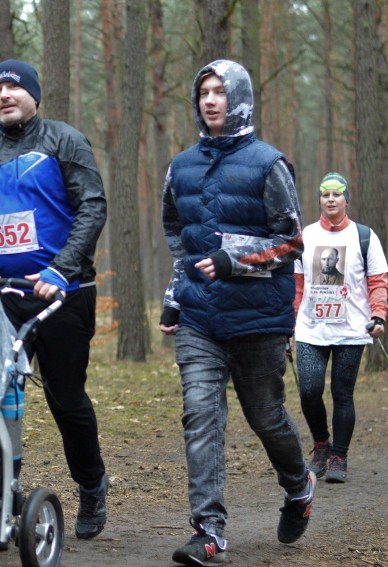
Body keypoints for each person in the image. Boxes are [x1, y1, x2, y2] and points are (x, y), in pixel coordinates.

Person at [158, 59, 315, 565]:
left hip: (258, 319)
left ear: (239, 98)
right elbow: (180, 240)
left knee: (266, 416)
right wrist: (174, 294)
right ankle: (208, 530)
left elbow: (291, 243)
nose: (210, 100)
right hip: (201, 318)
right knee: (200, 416)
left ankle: (298, 486)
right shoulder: (180, 166)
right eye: (203, 91)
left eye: (219, 91)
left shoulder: (270, 164)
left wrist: (234, 259)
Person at [0, 59, 109, 540]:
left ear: (35, 96)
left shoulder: (64, 140)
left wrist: (62, 269)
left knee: (65, 397)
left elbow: (92, 206)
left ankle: (92, 484)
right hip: (1, 296)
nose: (6, 94)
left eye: (16, 87)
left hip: (63, 294)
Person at [293, 172, 387, 483]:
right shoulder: (305, 236)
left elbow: (378, 282)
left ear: (346, 199)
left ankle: (338, 457)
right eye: (325, 194)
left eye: (337, 193)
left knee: (342, 393)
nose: (331, 199)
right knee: (309, 390)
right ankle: (321, 445)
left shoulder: (364, 236)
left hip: (351, 328)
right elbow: (296, 284)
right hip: (311, 327)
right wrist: (288, 322)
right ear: (319, 200)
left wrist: (379, 315)